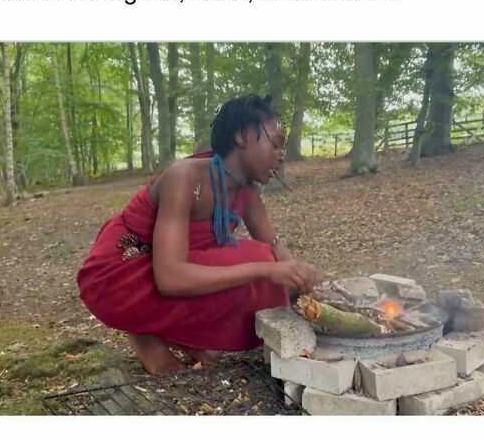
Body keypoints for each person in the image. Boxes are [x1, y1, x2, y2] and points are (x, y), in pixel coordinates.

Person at [77, 94, 324, 374]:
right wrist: (263, 270)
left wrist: (307, 282)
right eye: (275, 143)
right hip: (118, 275)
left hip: (171, 267)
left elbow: (274, 246)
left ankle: (178, 334)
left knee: (264, 268)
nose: (280, 155)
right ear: (242, 136)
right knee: (258, 263)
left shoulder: (249, 191)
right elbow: (170, 278)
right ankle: (144, 332)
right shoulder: (184, 177)